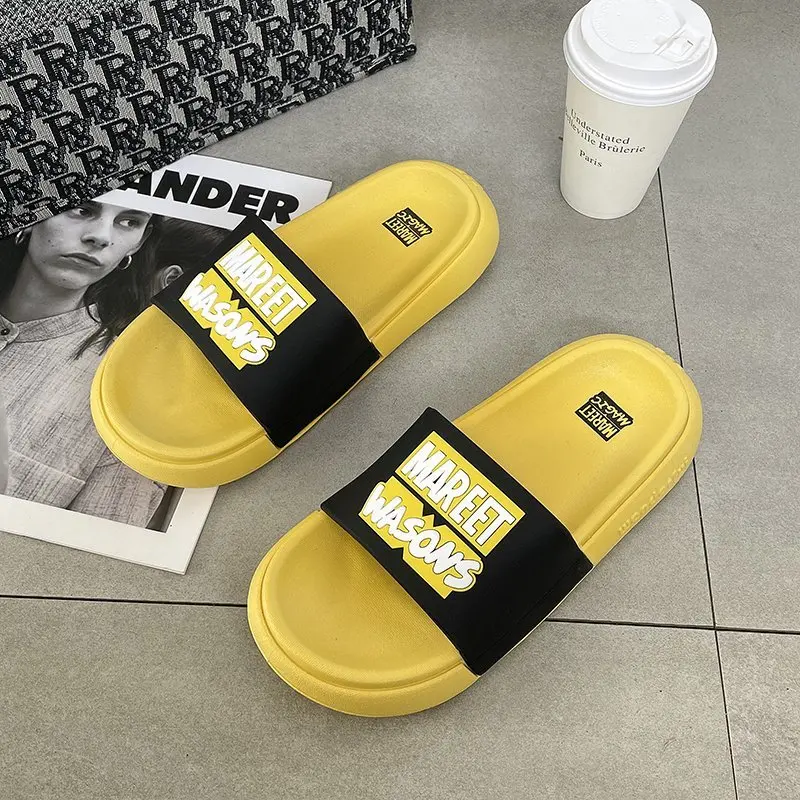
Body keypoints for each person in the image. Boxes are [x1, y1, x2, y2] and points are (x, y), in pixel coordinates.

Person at [0, 202, 227, 526]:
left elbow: (90, 551)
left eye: (129, 221)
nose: (101, 236)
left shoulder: (131, 394)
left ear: (139, 241)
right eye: (82, 209)